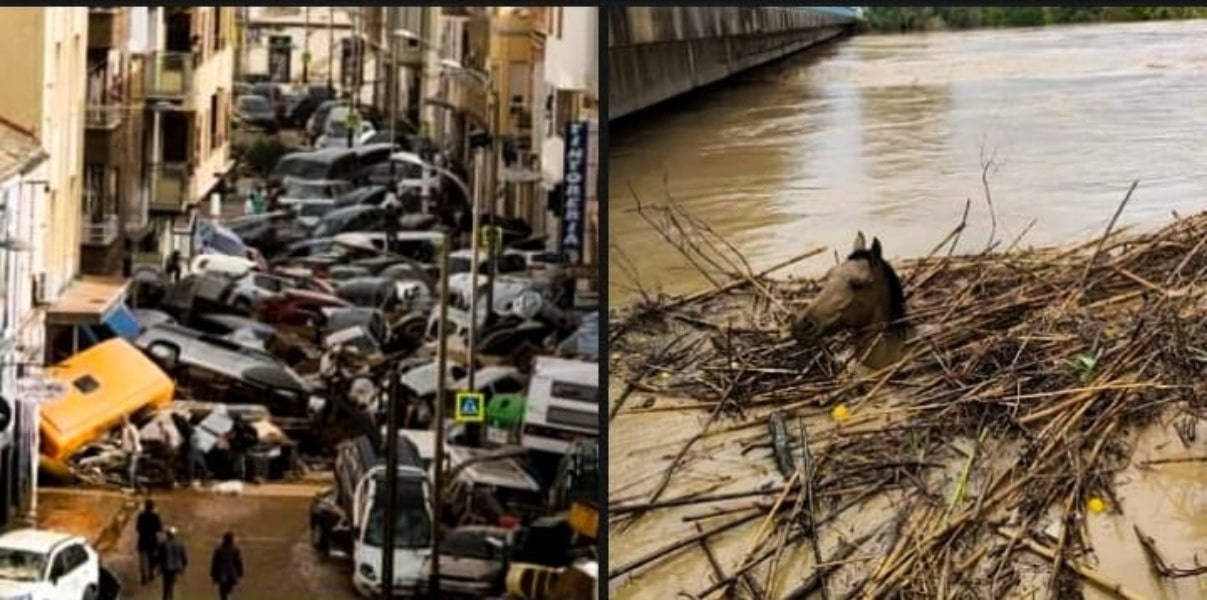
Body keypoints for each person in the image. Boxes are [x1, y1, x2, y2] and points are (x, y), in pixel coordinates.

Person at [210, 532, 244, 600]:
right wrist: (240, 574)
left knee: (223, 593)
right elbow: (238, 563)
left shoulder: (218, 550)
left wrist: (213, 576)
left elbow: (215, 564)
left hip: (221, 575)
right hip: (232, 575)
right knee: (229, 591)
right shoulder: (235, 550)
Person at [136, 500, 163, 585]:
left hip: (143, 539)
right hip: (152, 540)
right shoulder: (155, 516)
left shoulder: (141, 516)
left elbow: (137, 528)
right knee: (153, 558)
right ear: (152, 507)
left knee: (142, 559)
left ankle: (143, 576)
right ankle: (151, 573)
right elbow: (159, 528)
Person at [159, 526, 188, 600]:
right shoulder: (180, 544)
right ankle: (170, 596)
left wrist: (159, 566)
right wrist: (184, 565)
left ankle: (165, 597)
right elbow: (183, 556)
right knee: (171, 583)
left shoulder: (164, 544)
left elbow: (160, 556)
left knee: (166, 583)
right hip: (176, 567)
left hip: (166, 567)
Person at [120, 416, 143, 493]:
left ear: (127, 420)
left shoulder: (130, 428)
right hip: (129, 451)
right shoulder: (125, 428)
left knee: (130, 470)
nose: (122, 422)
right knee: (130, 470)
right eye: (121, 420)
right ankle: (139, 487)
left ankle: (131, 488)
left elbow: (134, 439)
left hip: (134, 451)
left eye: (123, 420)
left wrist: (134, 450)